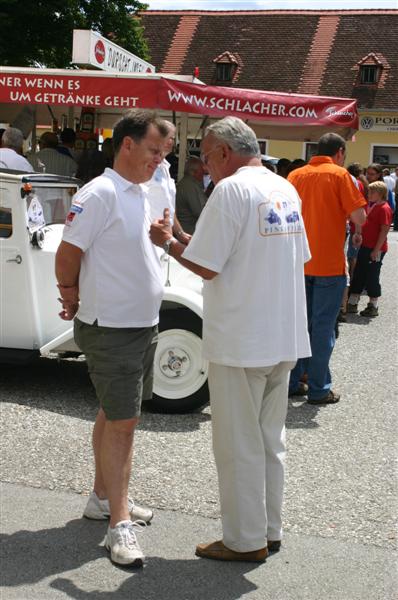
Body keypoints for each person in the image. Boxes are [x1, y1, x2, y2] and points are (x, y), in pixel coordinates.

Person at [150, 116, 311, 563]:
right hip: (281, 334)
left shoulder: (231, 189)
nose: (204, 164)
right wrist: (183, 235)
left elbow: (208, 267)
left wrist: (166, 242)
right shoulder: (283, 187)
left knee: (238, 444)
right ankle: (268, 528)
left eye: (204, 153)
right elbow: (281, 254)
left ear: (222, 152)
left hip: (243, 336)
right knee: (268, 440)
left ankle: (245, 539)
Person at [55, 109, 165, 567]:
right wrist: (69, 294)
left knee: (116, 413)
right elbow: (68, 252)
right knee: (124, 422)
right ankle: (117, 524)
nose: (160, 160)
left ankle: (103, 497)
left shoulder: (141, 190)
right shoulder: (100, 192)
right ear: (127, 144)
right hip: (112, 327)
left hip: (141, 323)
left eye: (164, 153)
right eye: (155, 150)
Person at [288, 133, 367, 404]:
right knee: (322, 328)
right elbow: (359, 216)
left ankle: (293, 380)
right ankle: (319, 388)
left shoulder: (295, 176)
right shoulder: (340, 175)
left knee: (299, 324)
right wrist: (353, 224)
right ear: (340, 153)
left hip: (298, 262)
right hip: (329, 264)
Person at [347, 181, 393, 318]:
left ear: (381, 194)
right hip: (364, 245)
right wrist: (358, 235)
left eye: (372, 192)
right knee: (359, 272)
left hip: (376, 248)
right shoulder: (369, 205)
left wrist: (376, 250)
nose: (369, 194)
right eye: (369, 192)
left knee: (372, 275)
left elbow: (384, 231)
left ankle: (373, 304)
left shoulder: (384, 208)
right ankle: (353, 301)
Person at [146, 120, 190, 246]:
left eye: (172, 138)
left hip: (165, 236)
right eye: (170, 137)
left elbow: (169, 205)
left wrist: (180, 233)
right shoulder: (145, 165)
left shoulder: (165, 166)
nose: (171, 142)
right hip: (148, 235)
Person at [175, 156, 208, 234]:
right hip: (190, 231)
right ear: (193, 172)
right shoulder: (190, 186)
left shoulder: (187, 183)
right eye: (201, 170)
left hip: (186, 229)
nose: (204, 172)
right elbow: (200, 212)